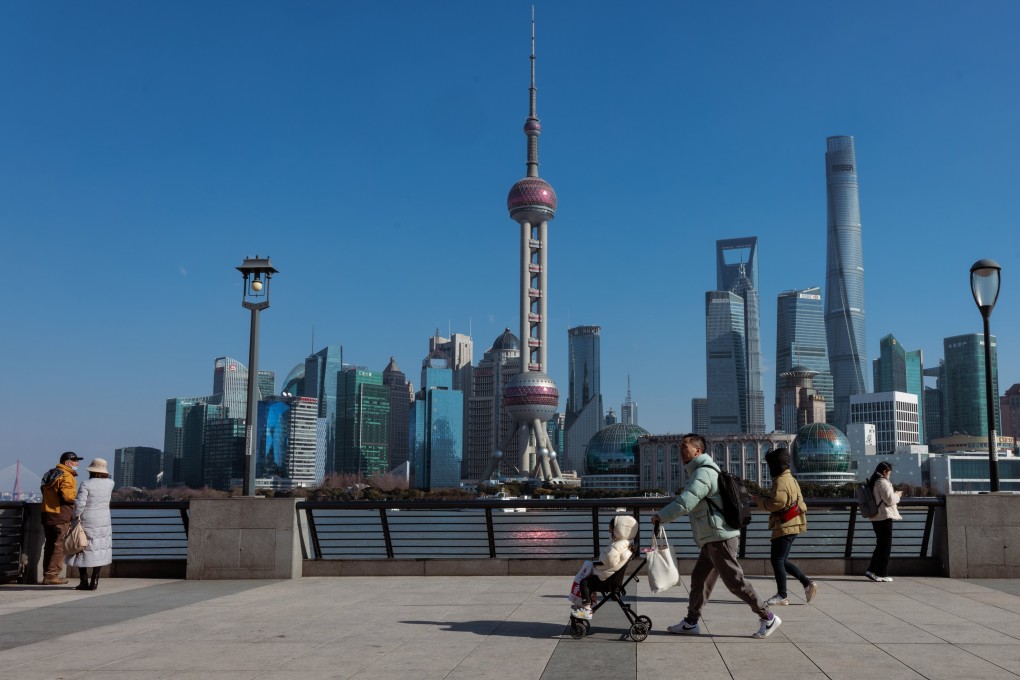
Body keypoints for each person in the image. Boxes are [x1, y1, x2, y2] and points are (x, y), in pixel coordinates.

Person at [652, 434, 781, 639]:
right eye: (679, 447)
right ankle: (691, 622)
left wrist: (661, 516)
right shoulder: (703, 471)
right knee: (699, 579)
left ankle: (768, 616)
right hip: (712, 538)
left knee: (735, 582)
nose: (680, 450)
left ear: (698, 450)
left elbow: (686, 502)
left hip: (719, 537)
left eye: (684, 446)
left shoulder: (703, 473)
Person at [756, 448, 817, 606]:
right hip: (793, 523)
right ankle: (806, 583)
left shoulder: (781, 481)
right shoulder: (791, 478)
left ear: (775, 465)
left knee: (777, 560)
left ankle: (782, 595)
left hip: (784, 525)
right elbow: (800, 502)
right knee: (781, 560)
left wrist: (759, 500)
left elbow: (776, 503)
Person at [570, 514, 639, 620]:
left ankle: (587, 608)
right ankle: (586, 605)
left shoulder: (616, 547)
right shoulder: (628, 544)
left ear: (618, 531)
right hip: (613, 578)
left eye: (611, 530)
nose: (610, 533)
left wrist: (595, 564)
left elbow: (607, 560)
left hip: (607, 581)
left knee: (585, 582)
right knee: (588, 579)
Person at [66, 458, 115, 591]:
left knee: (81, 547)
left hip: (88, 520)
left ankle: (83, 581)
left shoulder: (86, 484)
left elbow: (79, 504)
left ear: (92, 471)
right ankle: (95, 581)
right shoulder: (110, 483)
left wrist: (75, 516)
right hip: (104, 520)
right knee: (98, 549)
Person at [39, 451, 82, 585]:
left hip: (47, 513)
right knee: (59, 545)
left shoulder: (50, 473)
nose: (77, 463)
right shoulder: (67, 475)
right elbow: (68, 496)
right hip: (60, 514)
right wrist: (78, 500)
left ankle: (47, 573)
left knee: (50, 545)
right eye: (75, 461)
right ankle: (52, 576)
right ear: (66, 463)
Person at [864, 461, 902, 583]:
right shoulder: (882, 482)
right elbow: (890, 499)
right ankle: (881, 573)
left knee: (881, 545)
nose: (889, 475)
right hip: (884, 516)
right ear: (885, 472)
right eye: (889, 473)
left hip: (876, 517)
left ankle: (871, 570)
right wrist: (898, 494)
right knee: (885, 546)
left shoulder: (873, 481)